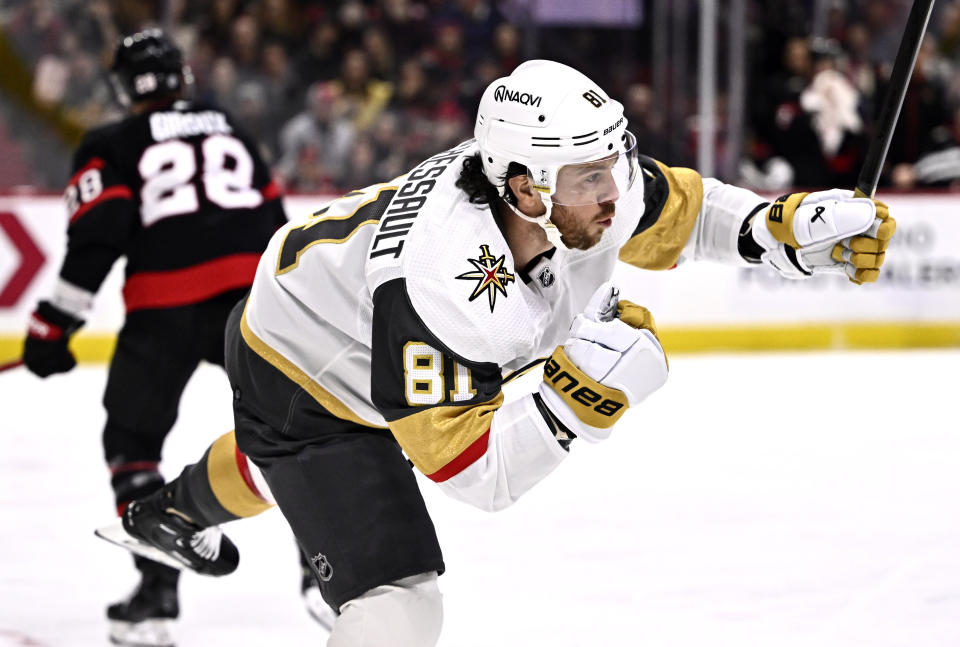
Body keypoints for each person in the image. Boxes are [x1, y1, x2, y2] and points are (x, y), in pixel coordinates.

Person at [100, 59, 896, 646]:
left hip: (342, 314)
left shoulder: (569, 186)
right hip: (301, 355)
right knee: (399, 606)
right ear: (522, 187)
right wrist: (577, 401)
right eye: (592, 178)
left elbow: (683, 213)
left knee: (308, 462)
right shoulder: (439, 285)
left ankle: (169, 510)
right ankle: (187, 503)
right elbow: (475, 474)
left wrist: (779, 234)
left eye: (614, 163)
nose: (616, 192)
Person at [21, 29, 289, 647]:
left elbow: (99, 234)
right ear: (181, 78)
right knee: (297, 427)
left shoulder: (110, 140)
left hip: (163, 305)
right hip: (250, 303)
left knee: (132, 443)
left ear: (122, 86)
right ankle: (325, 572)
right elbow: (276, 227)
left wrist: (51, 328)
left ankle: (156, 593)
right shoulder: (230, 129)